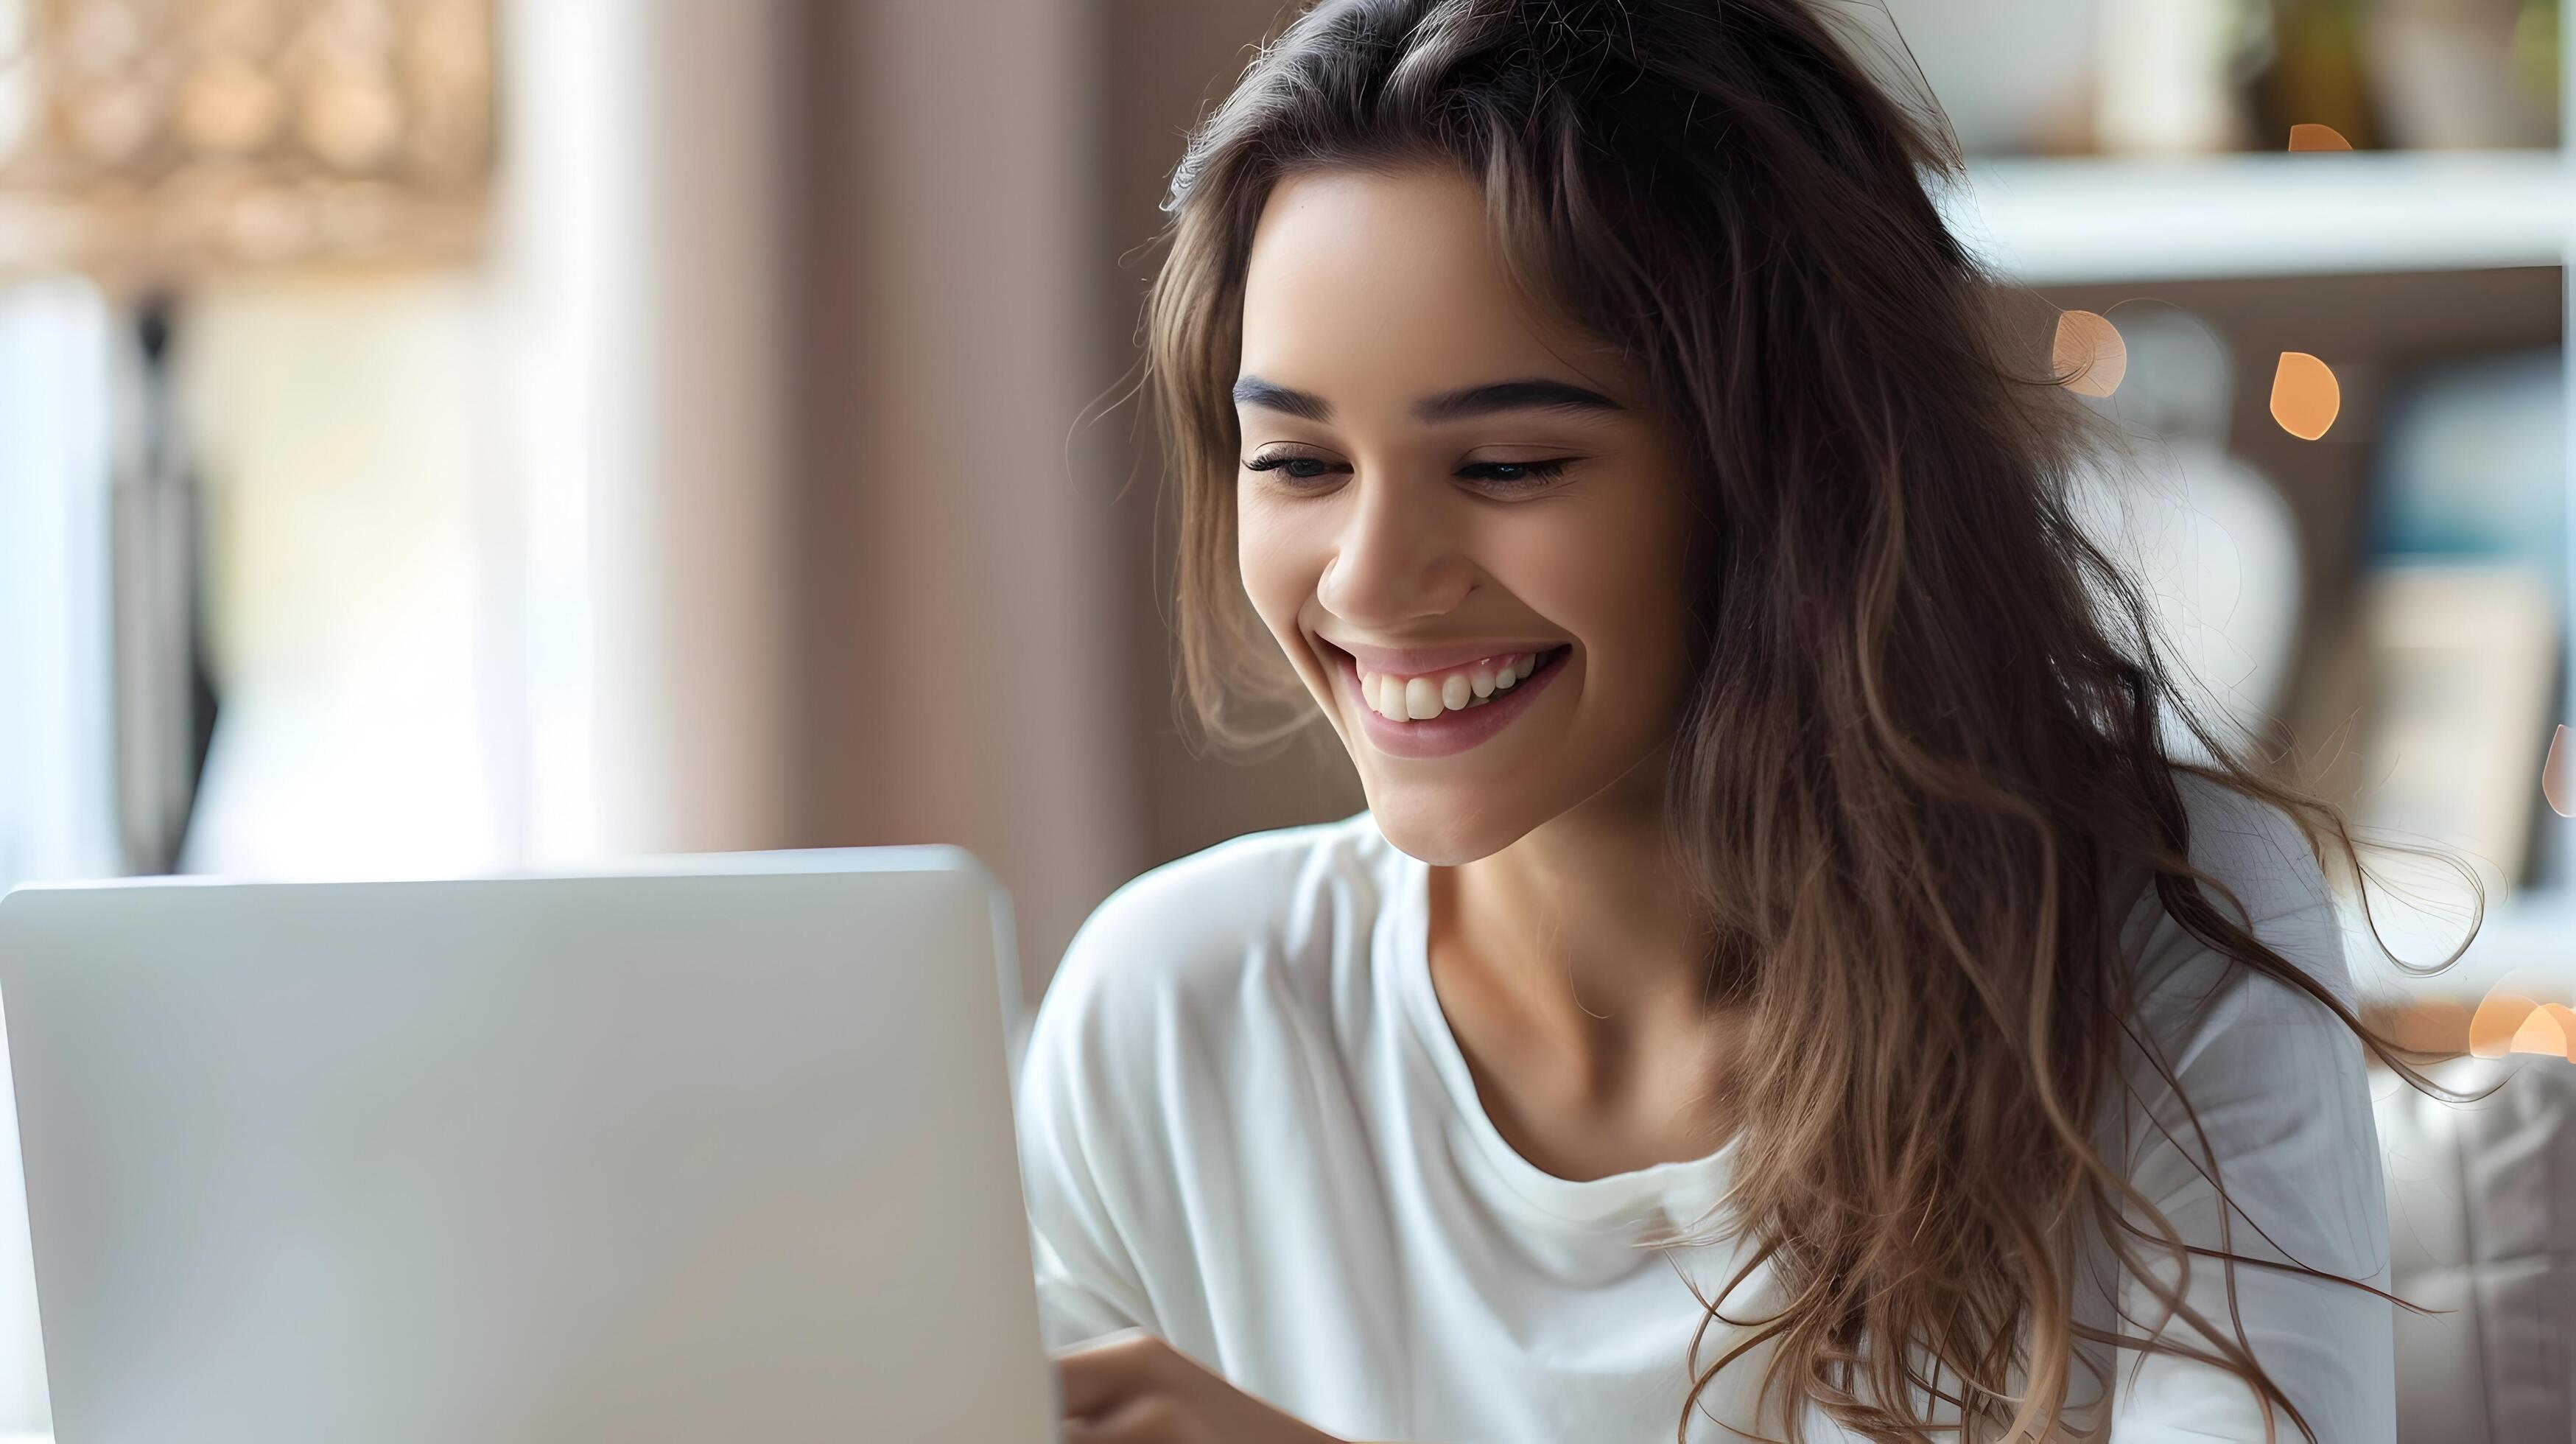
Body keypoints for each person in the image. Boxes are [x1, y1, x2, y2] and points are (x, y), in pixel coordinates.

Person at [1020, 2, 2412, 1439]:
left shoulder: (2150, 938)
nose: (1370, 579)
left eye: (1506, 463)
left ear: (1784, 472)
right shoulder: (1174, 1010)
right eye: (1299, 461)